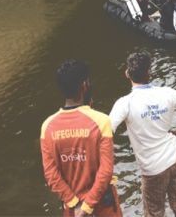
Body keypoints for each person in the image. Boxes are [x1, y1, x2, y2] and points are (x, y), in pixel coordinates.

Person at [109, 51, 176, 217]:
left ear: (127, 73)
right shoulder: (167, 93)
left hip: (152, 168)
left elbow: (106, 131)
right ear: (150, 73)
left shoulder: (125, 103)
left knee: (154, 212)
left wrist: (109, 155)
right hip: (175, 158)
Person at [41, 60, 122, 216]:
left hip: (72, 210)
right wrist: (87, 206)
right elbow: (106, 171)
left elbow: (51, 175)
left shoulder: (47, 127)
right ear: (84, 85)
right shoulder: (101, 121)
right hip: (103, 206)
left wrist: (75, 203)